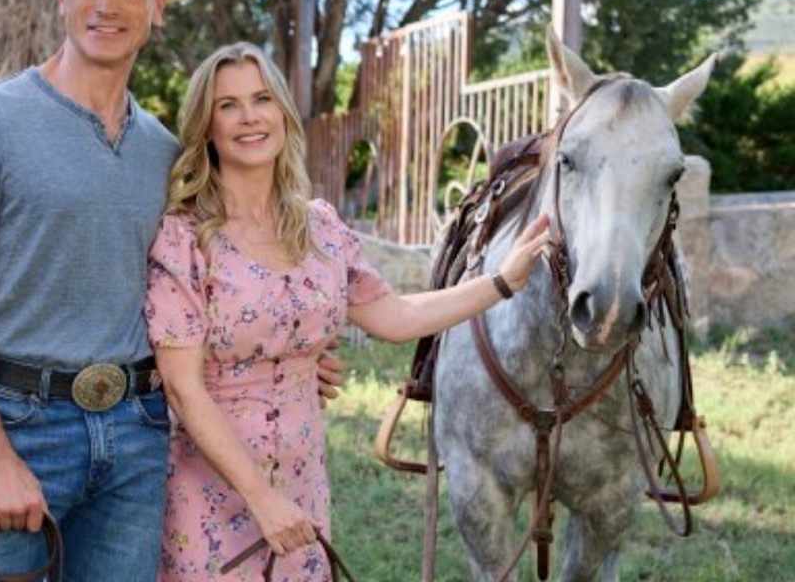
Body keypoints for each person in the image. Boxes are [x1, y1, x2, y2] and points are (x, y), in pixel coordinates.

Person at [144, 42, 551, 581]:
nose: (249, 117)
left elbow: (395, 315)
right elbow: (182, 389)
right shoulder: (184, 236)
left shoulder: (320, 228)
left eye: (262, 98)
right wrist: (261, 499)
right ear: (206, 125)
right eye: (228, 105)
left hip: (302, 478)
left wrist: (501, 281)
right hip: (210, 487)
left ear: (283, 113)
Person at [0, 0, 221, 581]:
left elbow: (200, 292)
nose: (106, 5)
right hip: (18, 428)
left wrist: (300, 351)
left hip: (137, 438)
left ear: (157, 5)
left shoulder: (165, 154)